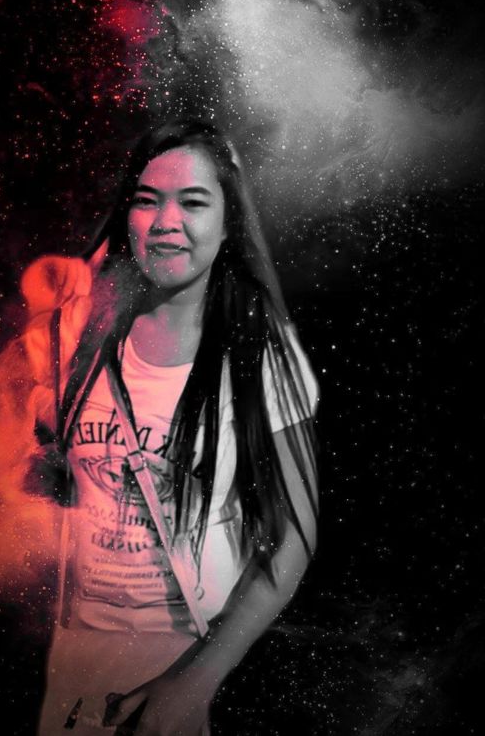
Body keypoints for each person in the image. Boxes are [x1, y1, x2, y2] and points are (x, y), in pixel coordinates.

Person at [16, 118, 320, 735]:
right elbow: (44, 466)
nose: (165, 222)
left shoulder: (260, 353)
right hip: (74, 670)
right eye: (147, 201)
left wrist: (197, 681)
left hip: (193, 666)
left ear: (229, 223)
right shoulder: (75, 336)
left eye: (194, 202)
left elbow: (294, 537)